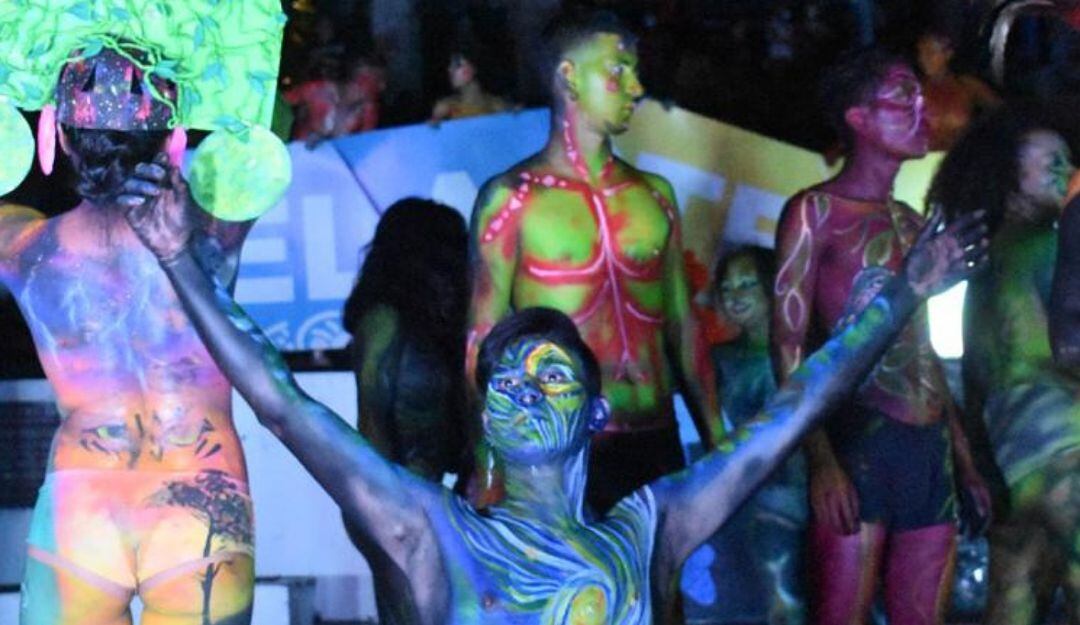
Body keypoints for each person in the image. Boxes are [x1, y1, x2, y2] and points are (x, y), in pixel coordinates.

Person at [118, 141, 987, 625]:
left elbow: (792, 416)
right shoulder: (430, 529)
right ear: (484, 415)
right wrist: (177, 257)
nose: (525, 388)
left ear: (597, 411)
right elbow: (281, 402)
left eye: (551, 373)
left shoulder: (653, 525)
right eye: (505, 378)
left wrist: (904, 294)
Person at [3, 48, 258, 625]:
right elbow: (256, 130)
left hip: (81, 504)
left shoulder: (23, 246)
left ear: (58, 137)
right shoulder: (216, 228)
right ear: (173, 139)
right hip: (203, 497)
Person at [466, 9, 723, 515]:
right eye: (618, 70)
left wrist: (718, 440)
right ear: (569, 77)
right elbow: (482, 340)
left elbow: (683, 325)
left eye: (635, 72)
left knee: (659, 567)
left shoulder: (654, 196)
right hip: (559, 447)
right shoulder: (512, 200)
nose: (636, 88)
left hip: (655, 435)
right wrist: (489, 464)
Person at [772, 49, 991, 625]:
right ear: (859, 118)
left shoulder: (915, 224)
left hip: (928, 452)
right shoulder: (816, 213)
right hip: (859, 439)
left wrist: (964, 460)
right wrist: (820, 459)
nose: (923, 110)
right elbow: (788, 346)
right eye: (904, 97)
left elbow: (924, 351)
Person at [932, 107, 1079, 624]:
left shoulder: (984, 271)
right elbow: (1069, 348)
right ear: (1007, 174)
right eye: (1051, 161)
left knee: (1012, 600)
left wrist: (982, 468)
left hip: (1013, 459)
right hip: (1065, 443)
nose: (1066, 170)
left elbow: (977, 385)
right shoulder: (1050, 245)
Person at [682, 246, 807, 625]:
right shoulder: (717, 360)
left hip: (795, 499)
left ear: (772, 287)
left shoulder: (804, 355)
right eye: (726, 288)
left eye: (747, 284)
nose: (735, 296)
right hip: (737, 501)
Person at [342, 198, 469, 482]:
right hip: (396, 492)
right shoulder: (383, 323)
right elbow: (372, 425)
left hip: (425, 489)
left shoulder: (437, 329)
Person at [915, 30, 1000, 151]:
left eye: (930, 53)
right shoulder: (914, 89)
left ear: (948, 54)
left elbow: (1002, 114)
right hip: (924, 158)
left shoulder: (967, 86)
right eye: (921, 53)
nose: (924, 59)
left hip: (962, 156)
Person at [430, 49, 510, 124]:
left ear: (474, 69)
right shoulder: (445, 106)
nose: (450, 69)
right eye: (450, 66)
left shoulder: (497, 105)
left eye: (458, 65)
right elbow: (432, 129)